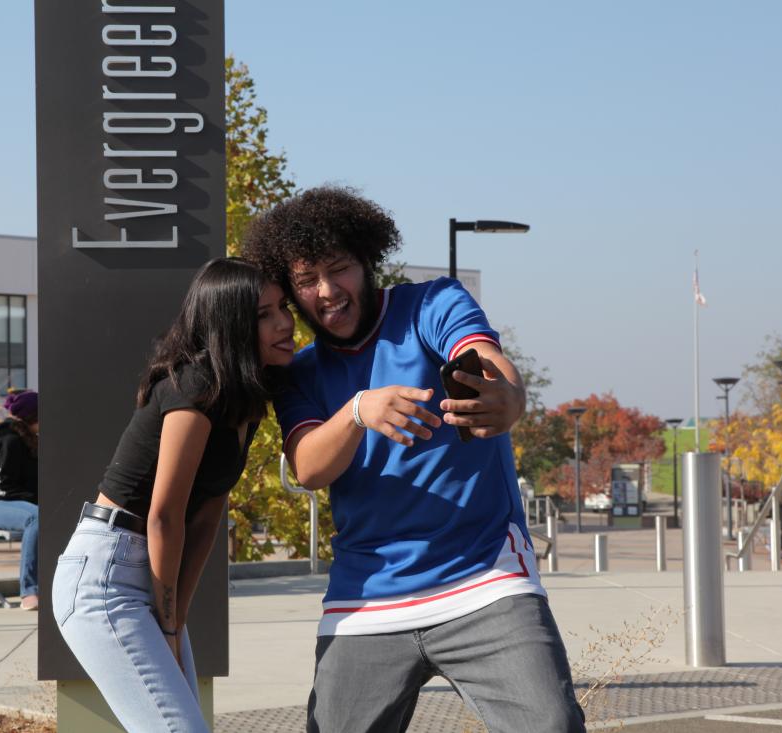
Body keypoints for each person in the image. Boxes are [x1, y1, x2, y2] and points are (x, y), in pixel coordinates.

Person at [243, 186, 586, 733]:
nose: (328, 291)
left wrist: (507, 397)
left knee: (551, 726)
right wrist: (358, 411)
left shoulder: (431, 303)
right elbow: (309, 467)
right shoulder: (299, 374)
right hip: (366, 597)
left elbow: (484, 360)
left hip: (484, 579)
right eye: (307, 281)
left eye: (341, 269)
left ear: (368, 262)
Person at [52, 258, 294, 732]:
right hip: (106, 575)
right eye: (264, 314)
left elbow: (205, 521)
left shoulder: (243, 402)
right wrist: (166, 626)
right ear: (231, 324)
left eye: (282, 307)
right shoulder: (196, 385)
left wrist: (176, 620)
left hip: (140, 573)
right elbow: (165, 515)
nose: (285, 322)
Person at [0, 389, 40, 610]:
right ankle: (29, 591)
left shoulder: (32, 441)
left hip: (21, 503)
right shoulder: (6, 439)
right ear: (33, 417)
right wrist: (34, 500)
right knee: (36, 517)